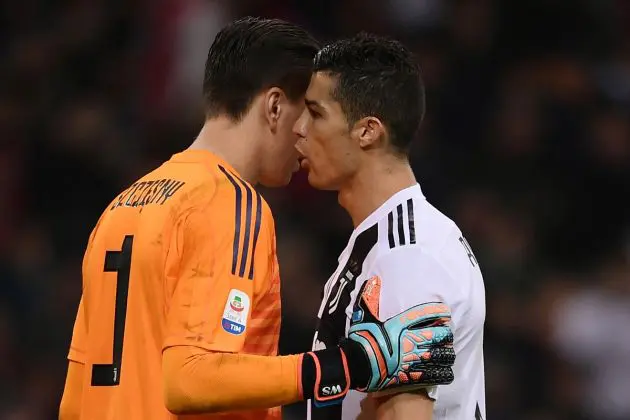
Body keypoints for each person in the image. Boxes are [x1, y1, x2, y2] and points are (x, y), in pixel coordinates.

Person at [58, 18, 456, 420]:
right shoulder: (231, 202)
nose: (304, 134)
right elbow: (189, 378)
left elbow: (74, 399)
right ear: (275, 106)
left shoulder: (122, 207)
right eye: (308, 114)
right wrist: (348, 364)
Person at [294, 33, 486, 420]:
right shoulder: (385, 238)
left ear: (367, 131)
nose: (299, 128)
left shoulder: (407, 254)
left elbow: (405, 411)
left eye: (315, 114)